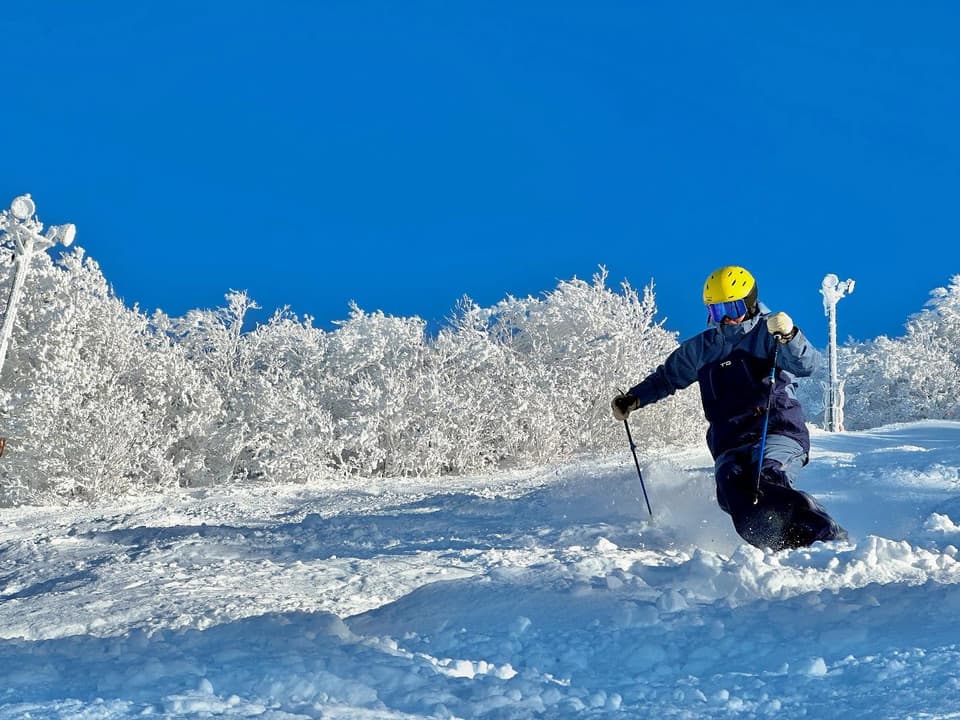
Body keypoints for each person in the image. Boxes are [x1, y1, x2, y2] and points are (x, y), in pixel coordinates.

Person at [612, 265, 846, 551]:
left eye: (732, 308)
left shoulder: (768, 332)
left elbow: (807, 365)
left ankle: (823, 531)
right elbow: (667, 378)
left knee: (767, 478)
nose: (726, 319)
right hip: (730, 442)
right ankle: (774, 543)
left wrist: (790, 335)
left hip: (776, 430)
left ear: (749, 304)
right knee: (729, 491)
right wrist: (634, 398)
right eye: (716, 311)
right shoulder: (702, 349)